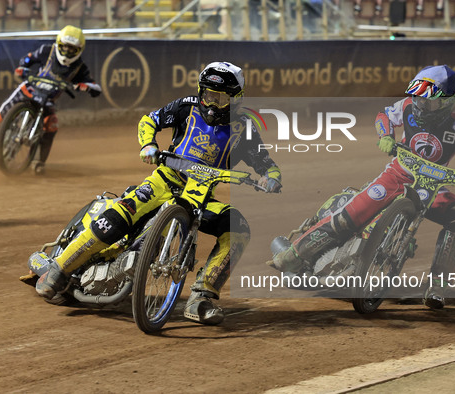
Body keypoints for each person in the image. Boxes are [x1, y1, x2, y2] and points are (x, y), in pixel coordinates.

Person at [35, 61, 282, 325]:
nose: (211, 102)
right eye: (208, 94)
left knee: (238, 227)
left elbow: (264, 162)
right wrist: (148, 145)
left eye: (219, 98)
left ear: (235, 100)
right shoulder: (186, 106)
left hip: (200, 197)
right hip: (163, 181)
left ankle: (201, 297)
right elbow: (149, 120)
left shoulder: (245, 128)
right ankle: (60, 269)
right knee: (119, 214)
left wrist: (272, 177)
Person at [271, 65, 455, 309]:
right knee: (349, 215)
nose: (420, 106)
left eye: (429, 102)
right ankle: (294, 256)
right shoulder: (406, 107)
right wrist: (385, 135)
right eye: (417, 98)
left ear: (447, 103)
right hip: (396, 175)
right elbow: (384, 116)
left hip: (432, 188)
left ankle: (437, 285)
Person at [0, 25, 101, 174]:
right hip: (28, 90)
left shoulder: (80, 67)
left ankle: (38, 162)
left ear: (79, 50)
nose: (67, 52)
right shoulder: (46, 51)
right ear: (58, 44)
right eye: (65, 47)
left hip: (48, 100)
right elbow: (28, 58)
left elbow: (94, 86)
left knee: (51, 125)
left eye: (72, 49)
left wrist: (86, 87)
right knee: (2, 114)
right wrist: (23, 67)